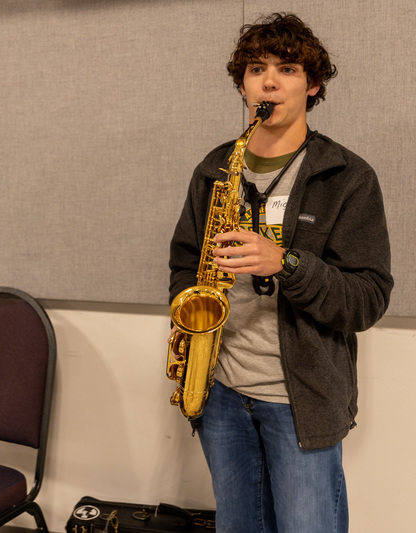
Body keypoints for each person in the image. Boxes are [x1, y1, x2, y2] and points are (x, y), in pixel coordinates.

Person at [168, 13, 393, 533]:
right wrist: (191, 315)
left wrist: (286, 262)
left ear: (312, 85)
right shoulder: (214, 169)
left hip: (300, 399)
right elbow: (185, 260)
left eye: (287, 69)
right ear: (242, 83)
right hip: (219, 390)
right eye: (255, 68)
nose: (268, 81)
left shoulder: (347, 177)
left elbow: (367, 299)